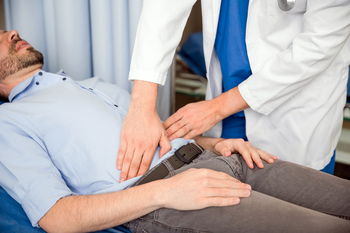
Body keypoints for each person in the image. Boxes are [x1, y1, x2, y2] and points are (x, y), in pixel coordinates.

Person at [1, 29, 350, 233]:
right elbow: (57, 218)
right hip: (172, 196)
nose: (13, 32)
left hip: (220, 159)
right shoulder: (10, 121)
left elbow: (157, 136)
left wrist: (215, 142)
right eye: (1, 36)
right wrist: (166, 193)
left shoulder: (88, 85)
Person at [118, 0, 350, 182]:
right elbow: (164, 6)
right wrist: (142, 104)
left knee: (299, 207)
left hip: (295, 107)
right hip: (226, 97)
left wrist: (216, 108)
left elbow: (321, 42)